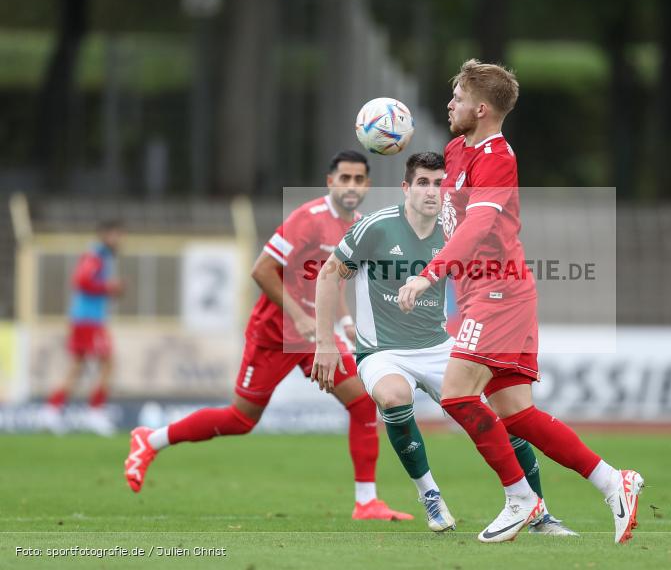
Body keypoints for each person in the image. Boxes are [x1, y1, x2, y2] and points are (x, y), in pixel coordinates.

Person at [396, 60, 643, 544]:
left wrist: (429, 276)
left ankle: (521, 499)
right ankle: (615, 482)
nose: (450, 104)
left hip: (499, 292)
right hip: (480, 294)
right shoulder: (454, 150)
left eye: (459, 97)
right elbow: (452, 218)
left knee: (457, 395)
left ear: (481, 108)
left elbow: (480, 225)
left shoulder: (497, 157)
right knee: (517, 413)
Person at [124, 151, 411, 521]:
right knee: (241, 420)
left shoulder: (357, 227)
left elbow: (331, 281)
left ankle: (366, 501)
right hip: (274, 333)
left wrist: (344, 323)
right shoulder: (306, 219)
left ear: (367, 185)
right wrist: (297, 315)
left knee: (361, 401)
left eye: (359, 179)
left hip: (315, 335)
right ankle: (151, 439)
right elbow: (261, 271)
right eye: (345, 178)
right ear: (330, 181)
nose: (351, 186)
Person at [312, 151, 577, 536]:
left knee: (507, 415)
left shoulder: (455, 232)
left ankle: (539, 514)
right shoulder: (376, 227)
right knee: (393, 396)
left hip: (439, 347)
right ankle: (430, 495)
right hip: (381, 351)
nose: (432, 192)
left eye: (439, 183)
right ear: (406, 188)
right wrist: (325, 342)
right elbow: (327, 275)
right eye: (423, 182)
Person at [42, 220, 124, 436]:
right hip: (89, 320)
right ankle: (94, 413)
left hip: (83, 319)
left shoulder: (100, 256)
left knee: (76, 367)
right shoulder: (96, 255)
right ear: (104, 235)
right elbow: (81, 280)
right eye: (115, 235)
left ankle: (52, 409)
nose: (118, 240)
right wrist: (108, 287)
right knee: (108, 363)